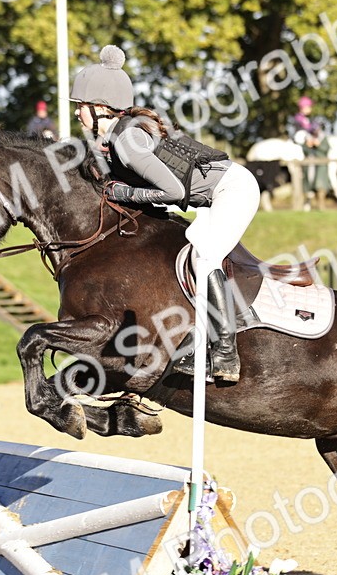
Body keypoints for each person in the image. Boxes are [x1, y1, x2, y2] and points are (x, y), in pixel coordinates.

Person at [69, 45, 260, 383]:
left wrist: (125, 192)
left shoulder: (127, 140)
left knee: (204, 252)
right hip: (220, 192)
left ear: (101, 108)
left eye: (82, 107)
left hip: (234, 189)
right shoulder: (122, 135)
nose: (78, 114)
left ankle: (226, 354)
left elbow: (174, 192)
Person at [290, 96, 331, 208]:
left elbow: (314, 131)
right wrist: (308, 140)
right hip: (302, 149)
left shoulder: (310, 120)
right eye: (308, 106)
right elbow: (299, 136)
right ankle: (305, 199)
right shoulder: (299, 119)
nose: (310, 109)